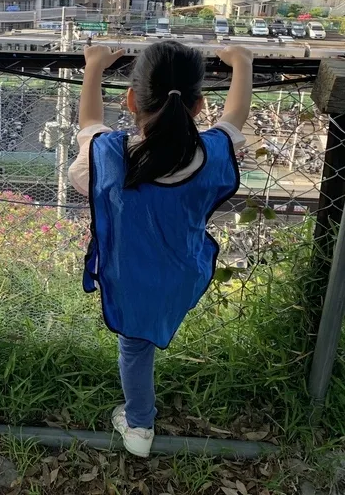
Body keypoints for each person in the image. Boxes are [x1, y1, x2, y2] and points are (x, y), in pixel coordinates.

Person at [68, 40, 253, 458]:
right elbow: (234, 118)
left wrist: (94, 67)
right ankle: (139, 417)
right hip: (181, 274)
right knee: (144, 338)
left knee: (135, 347)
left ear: (132, 99)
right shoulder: (210, 155)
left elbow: (90, 124)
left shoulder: (110, 156)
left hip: (130, 279)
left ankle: (139, 426)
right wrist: (242, 62)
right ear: (200, 105)